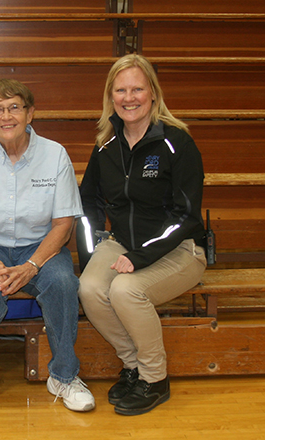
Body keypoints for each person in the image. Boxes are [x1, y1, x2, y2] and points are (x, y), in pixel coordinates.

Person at [0, 79, 95, 412]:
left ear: (30, 114)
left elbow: (63, 224)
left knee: (63, 283)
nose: (6, 116)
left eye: (14, 107)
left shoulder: (55, 155)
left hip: (41, 247)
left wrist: (32, 266)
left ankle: (65, 377)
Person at [77, 54, 207, 416]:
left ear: (153, 93)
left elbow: (186, 217)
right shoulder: (105, 147)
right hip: (123, 245)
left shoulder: (177, 144)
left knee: (125, 289)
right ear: (110, 97)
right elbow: (88, 205)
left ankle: (155, 378)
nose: (129, 98)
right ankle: (133, 366)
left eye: (137, 89)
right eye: (121, 90)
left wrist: (139, 257)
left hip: (180, 250)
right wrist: (91, 257)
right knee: (89, 287)